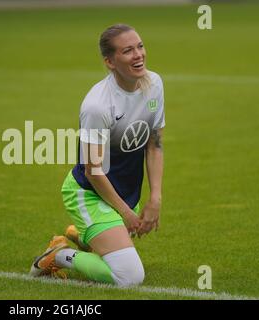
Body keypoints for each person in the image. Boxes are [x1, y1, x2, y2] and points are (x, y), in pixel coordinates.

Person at [30, 24, 165, 287]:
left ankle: (81, 234)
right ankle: (59, 255)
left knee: (120, 252)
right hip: (90, 193)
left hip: (125, 191)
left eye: (140, 46)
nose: (138, 55)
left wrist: (155, 198)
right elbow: (93, 170)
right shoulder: (98, 105)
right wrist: (126, 213)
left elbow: (154, 143)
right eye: (127, 51)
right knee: (128, 276)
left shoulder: (154, 84)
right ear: (110, 61)